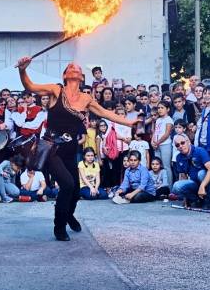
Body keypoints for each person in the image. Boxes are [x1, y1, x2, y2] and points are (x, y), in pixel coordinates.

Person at [17, 57, 137, 241]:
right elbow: (31, 86)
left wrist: (129, 121)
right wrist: (23, 70)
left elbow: (106, 113)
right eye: (70, 67)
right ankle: (59, 226)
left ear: (81, 77)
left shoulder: (86, 98)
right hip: (51, 149)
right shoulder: (56, 90)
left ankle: (68, 215)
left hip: (70, 150)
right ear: (65, 75)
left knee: (74, 192)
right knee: (67, 184)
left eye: (77, 68)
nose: (74, 68)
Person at [171, 134, 210, 208]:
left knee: (201, 173)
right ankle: (196, 200)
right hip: (194, 183)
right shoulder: (178, 157)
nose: (180, 146)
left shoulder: (199, 150)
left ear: (188, 142)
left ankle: (209, 199)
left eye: (182, 143)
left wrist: (202, 186)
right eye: (177, 145)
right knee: (176, 186)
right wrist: (185, 199)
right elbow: (183, 177)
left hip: (207, 181)